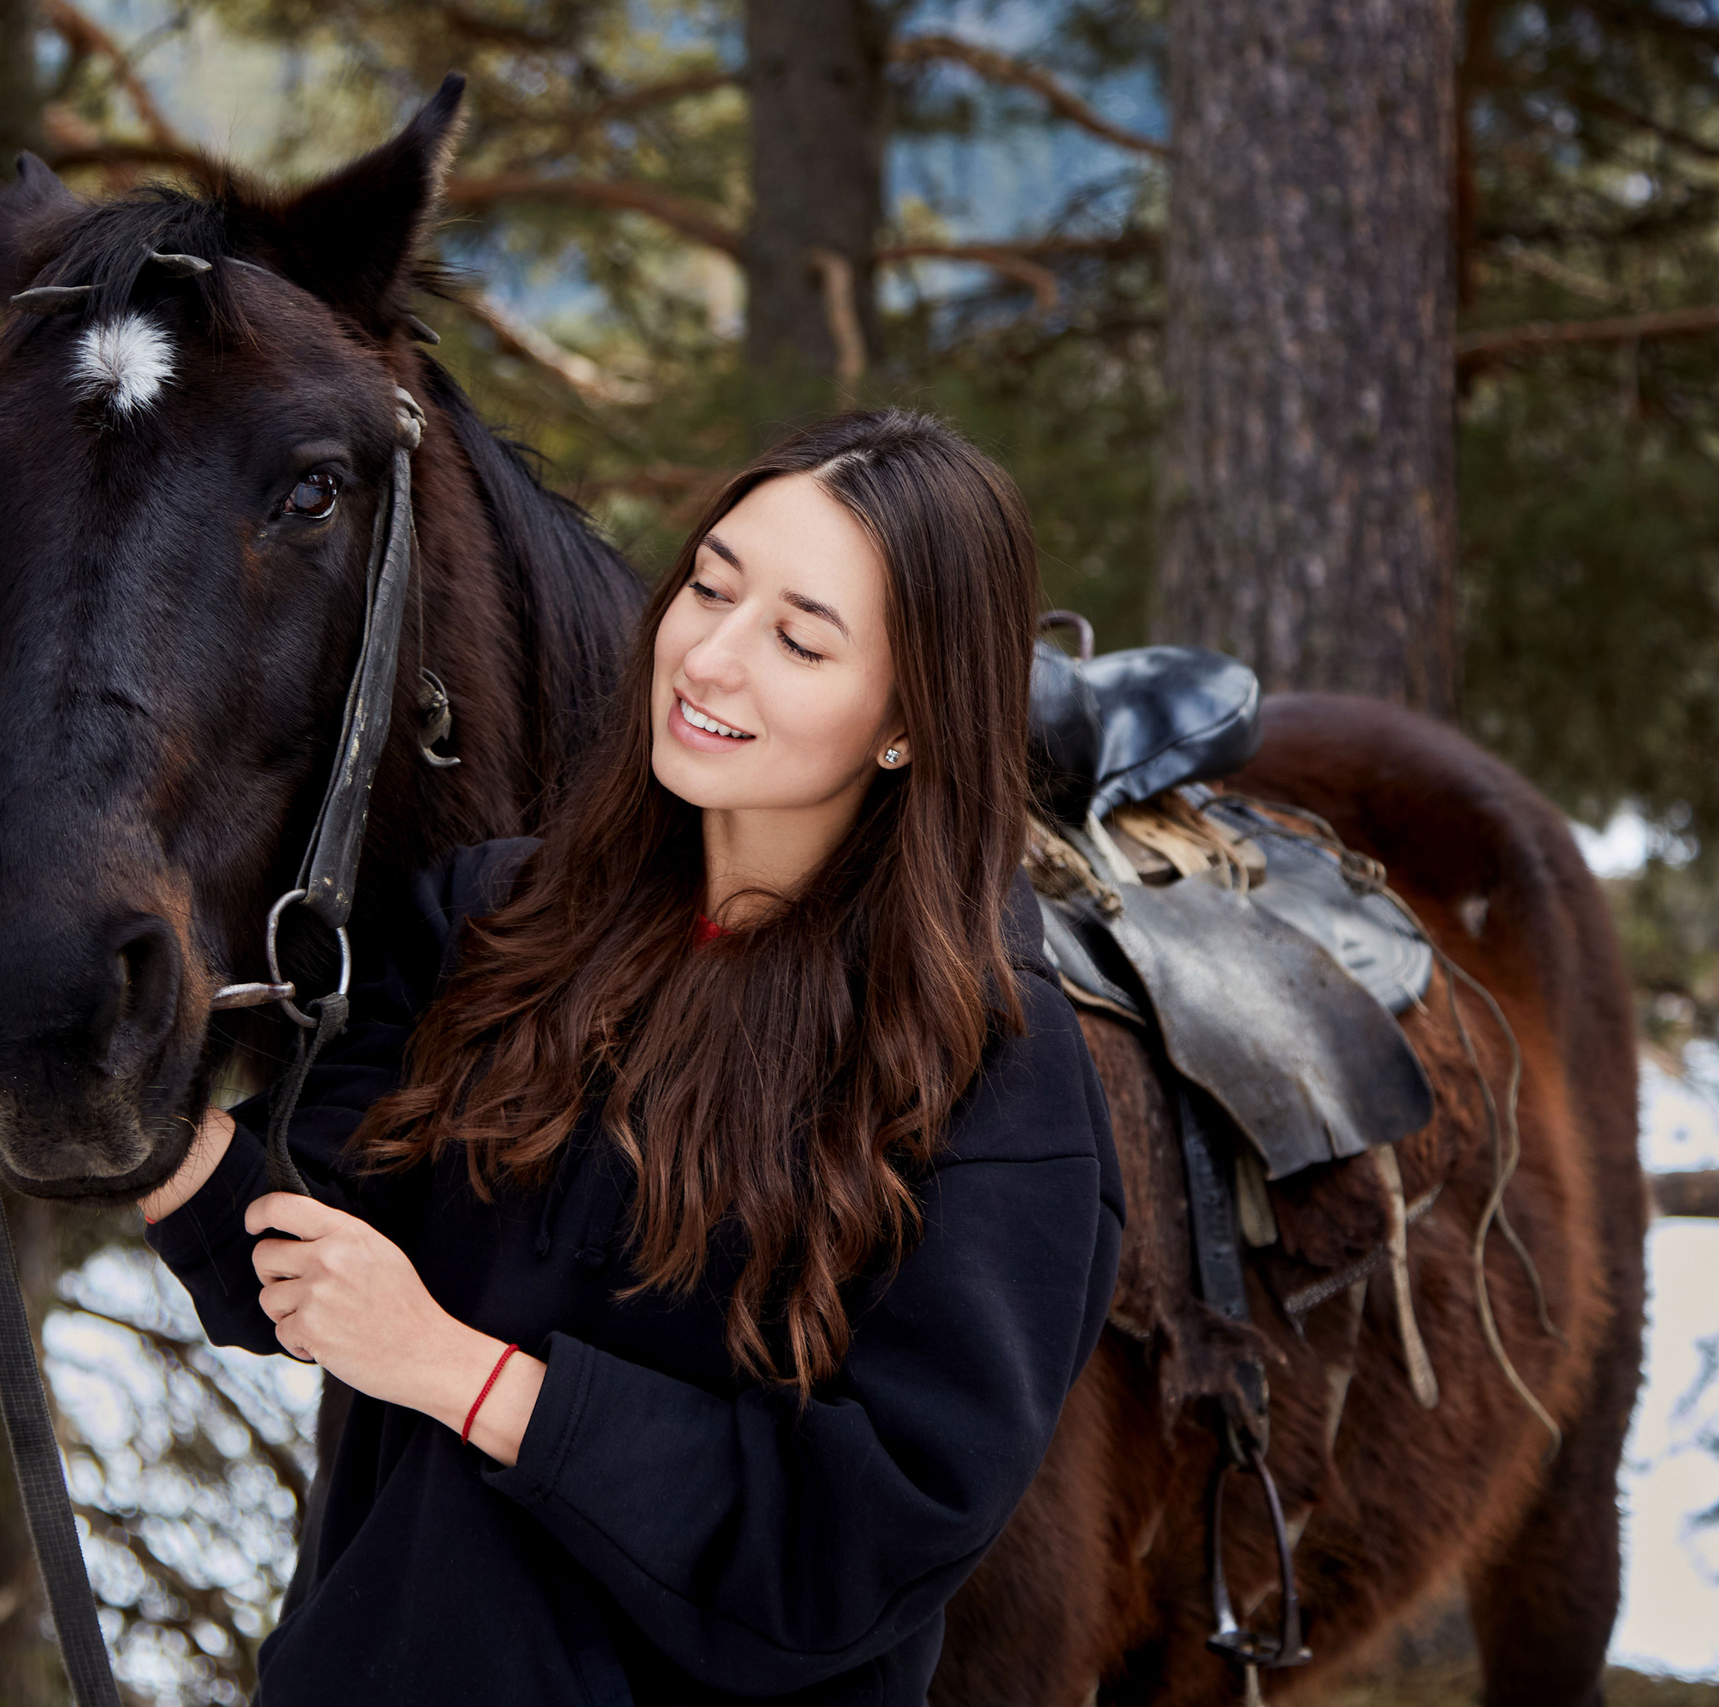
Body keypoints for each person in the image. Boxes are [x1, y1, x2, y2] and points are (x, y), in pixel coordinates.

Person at [140, 409, 1124, 1706]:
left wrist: (458, 1372)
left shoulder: (992, 1069)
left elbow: (853, 1544)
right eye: (709, 587)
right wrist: (120, 1104)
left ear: (909, 719)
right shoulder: (489, 922)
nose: (709, 658)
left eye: (798, 638)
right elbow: (302, 1226)